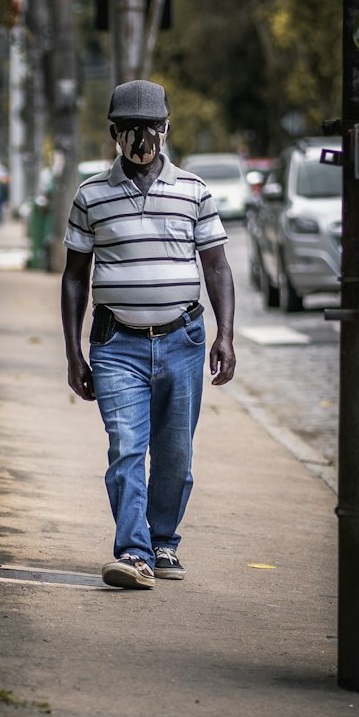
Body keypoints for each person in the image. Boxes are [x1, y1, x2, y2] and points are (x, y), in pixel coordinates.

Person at [60, 79, 236, 589]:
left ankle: (163, 542)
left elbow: (218, 268)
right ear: (115, 133)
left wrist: (225, 335)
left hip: (183, 340)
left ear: (165, 128)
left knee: (176, 456)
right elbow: (74, 275)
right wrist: (73, 353)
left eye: (151, 127)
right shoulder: (91, 195)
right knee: (127, 448)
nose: (142, 138)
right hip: (117, 345)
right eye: (130, 129)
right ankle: (134, 553)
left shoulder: (194, 191)